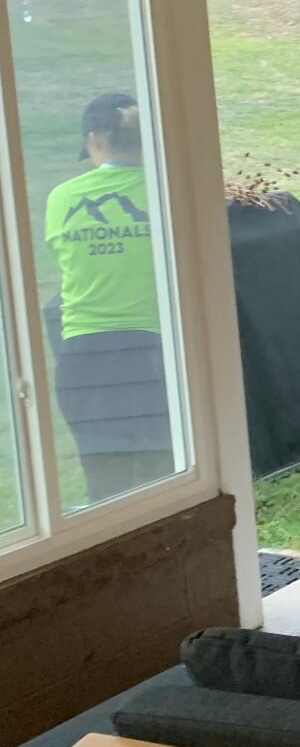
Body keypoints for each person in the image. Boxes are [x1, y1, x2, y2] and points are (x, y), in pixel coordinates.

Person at [45, 93, 174, 504]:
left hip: (84, 357)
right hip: (155, 352)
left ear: (95, 140)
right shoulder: (166, 194)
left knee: (104, 482)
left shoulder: (61, 199)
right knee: (167, 476)